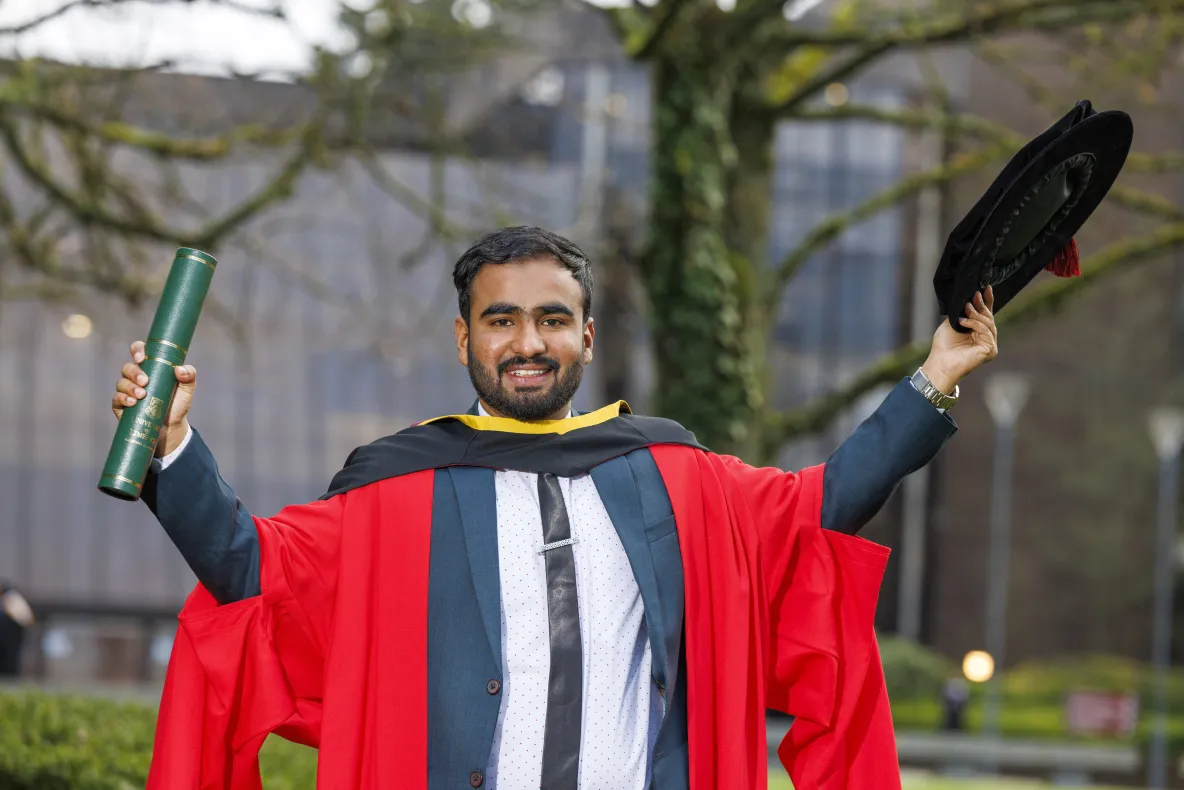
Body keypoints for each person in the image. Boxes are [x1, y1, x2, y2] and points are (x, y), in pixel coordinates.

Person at [113, 226, 998, 790]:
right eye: (500, 321)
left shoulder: (675, 476)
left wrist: (936, 380)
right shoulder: (396, 491)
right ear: (465, 338)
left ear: (586, 337)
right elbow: (245, 568)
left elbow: (825, 504)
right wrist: (171, 446)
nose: (527, 342)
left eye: (551, 319)